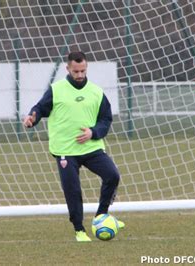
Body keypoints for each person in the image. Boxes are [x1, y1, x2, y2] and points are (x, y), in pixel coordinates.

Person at [23, 51, 124, 242]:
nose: (79, 75)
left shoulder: (96, 92)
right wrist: (32, 117)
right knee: (73, 189)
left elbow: (105, 119)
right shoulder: (57, 89)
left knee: (112, 175)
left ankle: (101, 217)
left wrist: (93, 132)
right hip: (65, 151)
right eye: (76, 71)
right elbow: (39, 108)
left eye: (83, 71)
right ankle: (79, 229)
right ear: (68, 68)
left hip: (91, 148)